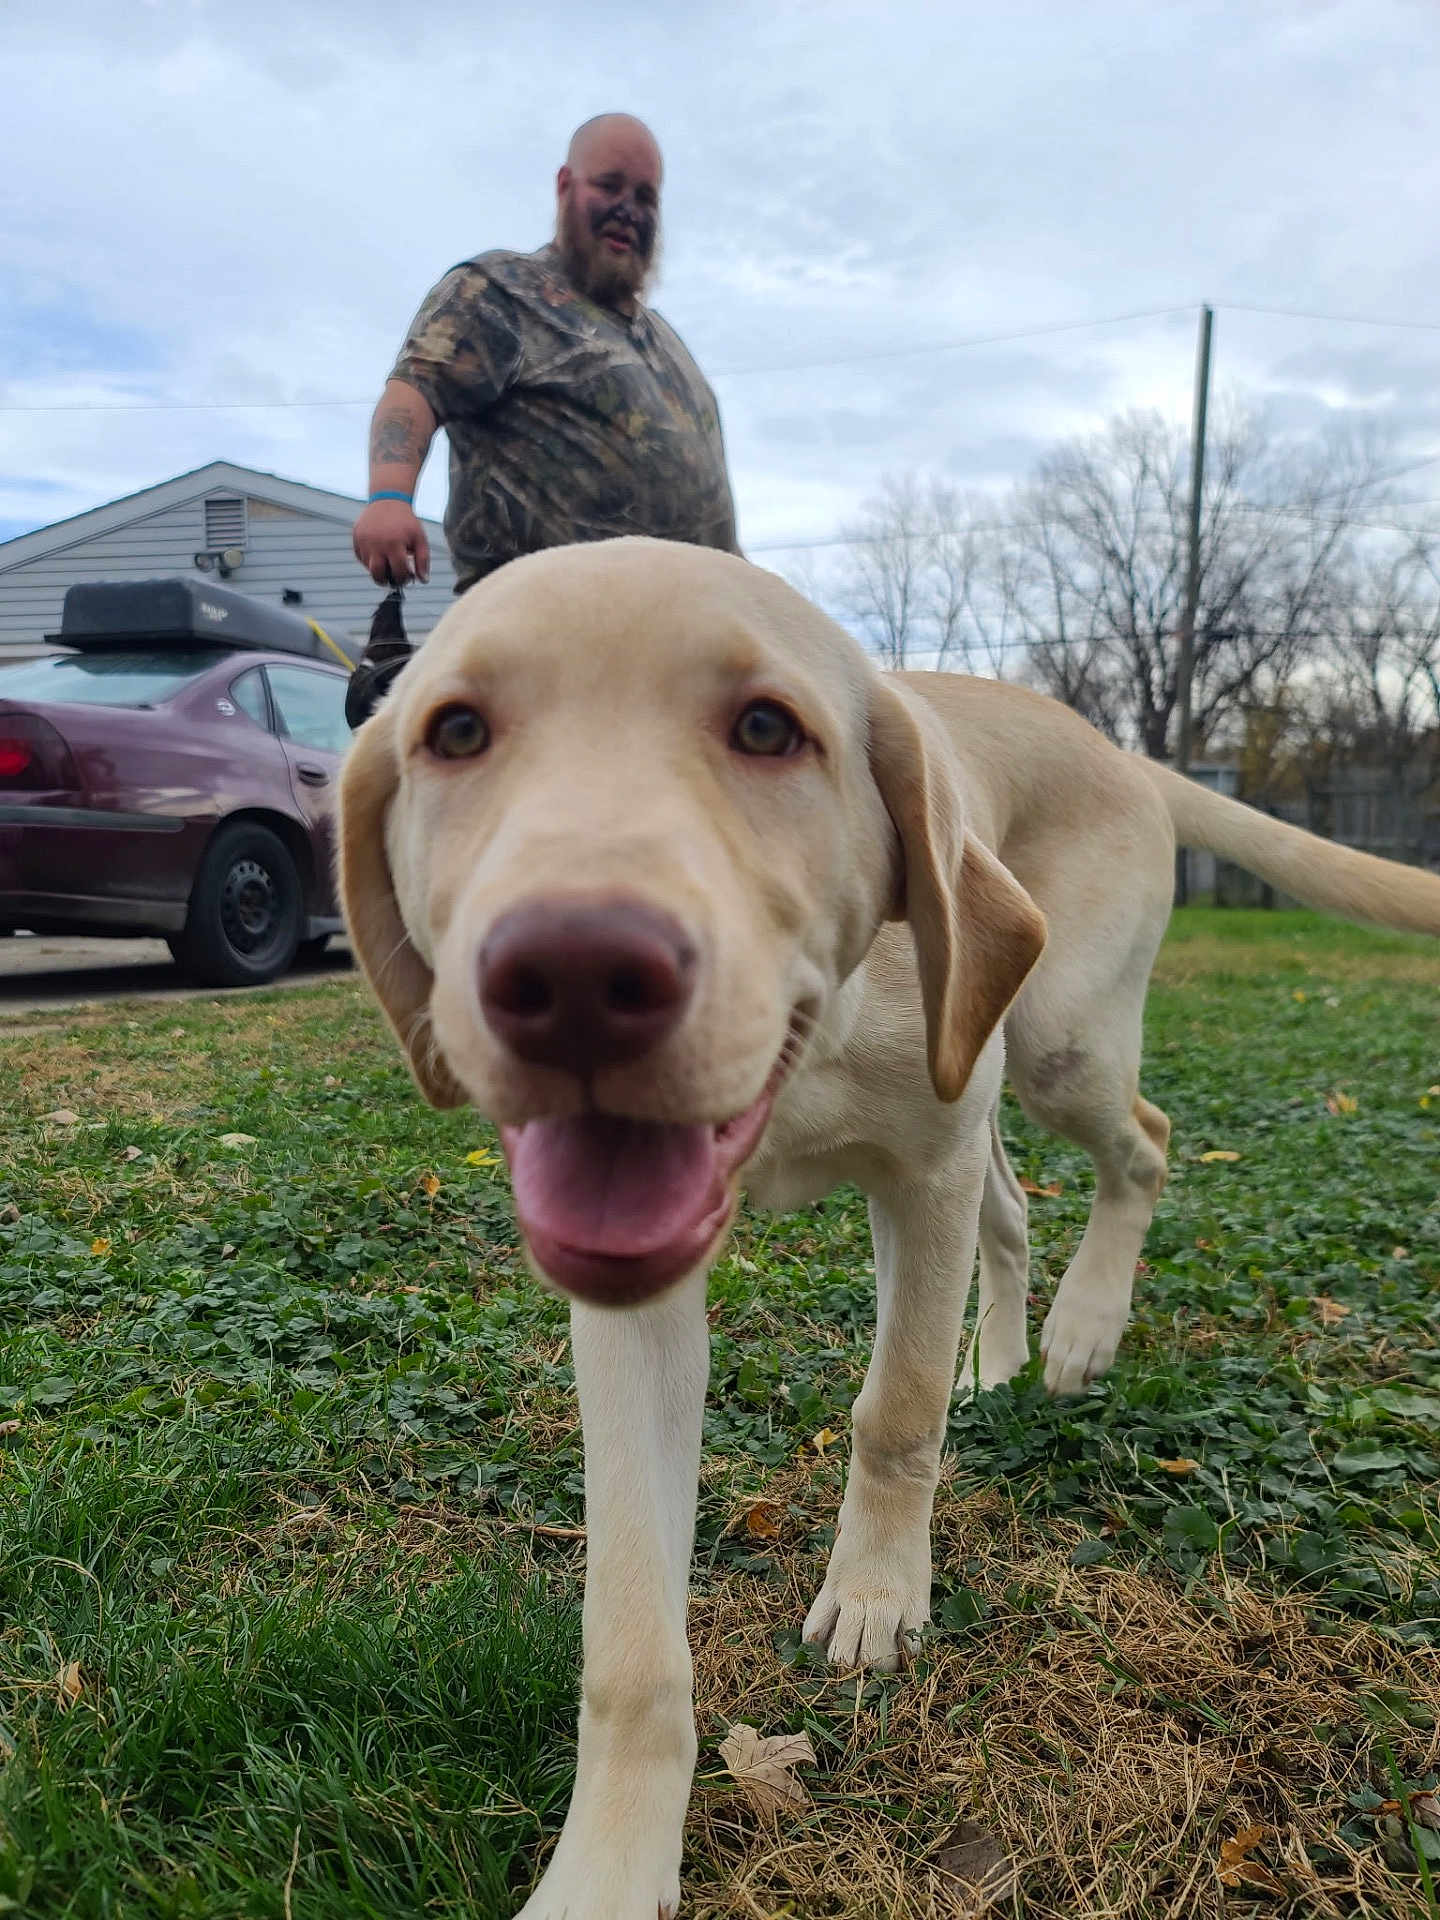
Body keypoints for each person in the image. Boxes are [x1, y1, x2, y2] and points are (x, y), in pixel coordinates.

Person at [346, 113, 738, 722]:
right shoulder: (501, 290)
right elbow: (412, 393)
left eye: (645, 197)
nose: (628, 210)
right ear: (564, 186)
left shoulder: (667, 344)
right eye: (609, 187)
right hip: (542, 665)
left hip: (686, 676)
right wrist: (389, 497)